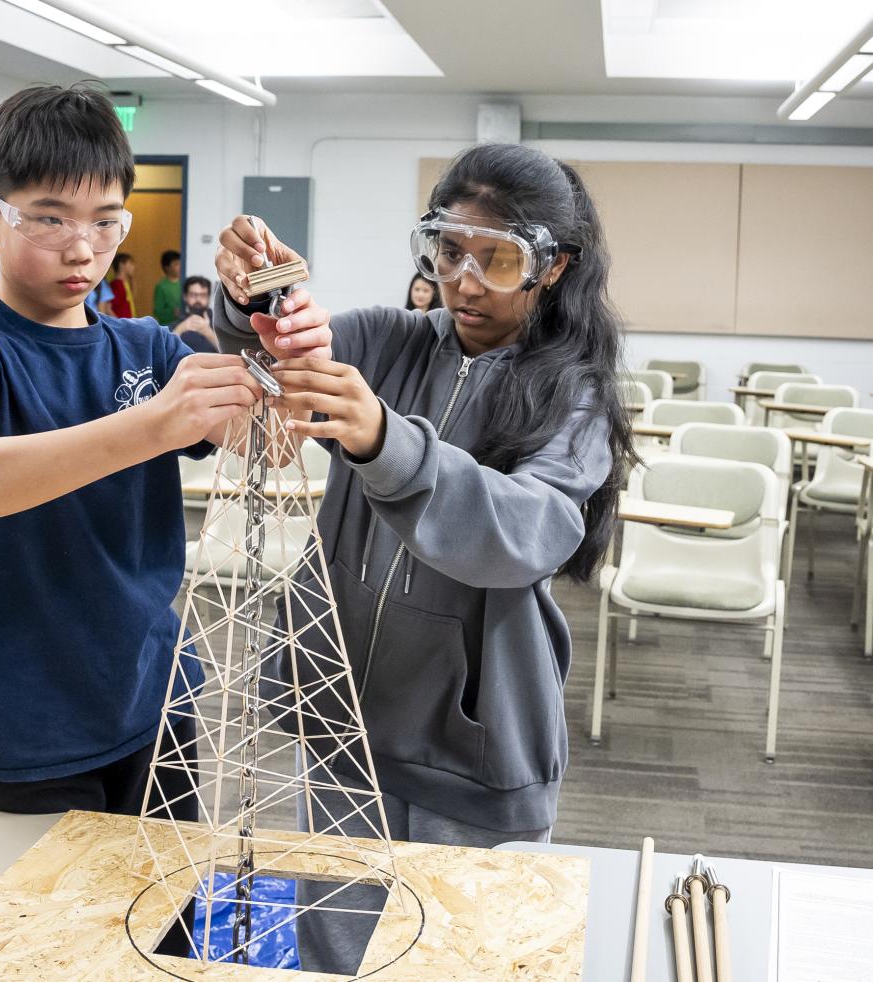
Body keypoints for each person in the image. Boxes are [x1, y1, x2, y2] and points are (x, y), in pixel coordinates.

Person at [213, 142, 632, 973]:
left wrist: (384, 441)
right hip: (345, 721)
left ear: (553, 267)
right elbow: (288, 350)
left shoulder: (572, 392)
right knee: (334, 944)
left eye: (498, 258)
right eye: (448, 251)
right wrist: (253, 297)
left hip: (468, 744)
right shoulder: (395, 340)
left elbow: (526, 530)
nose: (465, 280)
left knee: (461, 953)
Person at [0, 85, 309, 826]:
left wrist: (288, 342)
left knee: (162, 915)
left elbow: (270, 443)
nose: (82, 249)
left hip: (154, 694)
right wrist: (153, 424)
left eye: (107, 223)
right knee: (47, 927)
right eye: (49, 219)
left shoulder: (145, 346)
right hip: (27, 719)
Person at [171, 275, 218, 353]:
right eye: (193, 295)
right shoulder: (178, 324)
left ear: (208, 297)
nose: (198, 299)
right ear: (185, 297)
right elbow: (164, 353)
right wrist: (180, 329)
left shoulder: (220, 322)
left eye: (203, 295)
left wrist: (207, 331)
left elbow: (230, 352)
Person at [152, 249, 181, 325]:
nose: (180, 266)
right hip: (167, 327)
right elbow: (158, 312)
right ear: (167, 267)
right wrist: (173, 312)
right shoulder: (161, 286)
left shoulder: (184, 284)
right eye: (176, 264)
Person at [108, 251, 136, 318]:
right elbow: (108, 308)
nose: (133, 267)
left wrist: (132, 279)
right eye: (131, 264)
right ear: (122, 265)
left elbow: (131, 298)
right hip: (122, 324)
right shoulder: (116, 285)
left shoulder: (125, 283)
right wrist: (119, 323)